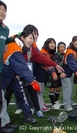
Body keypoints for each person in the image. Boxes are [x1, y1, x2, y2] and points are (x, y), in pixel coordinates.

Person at [2, 30, 40, 124]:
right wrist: (32, 81)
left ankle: (28, 115)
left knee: (21, 96)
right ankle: (3, 122)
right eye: (30, 38)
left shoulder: (16, 44)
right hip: (4, 75)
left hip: (13, 75)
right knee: (2, 100)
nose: (32, 41)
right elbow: (22, 66)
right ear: (22, 38)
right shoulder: (14, 47)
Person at [0, 1, 18, 132]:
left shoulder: (5, 29)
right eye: (0, 9)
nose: (2, 12)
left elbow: (3, 41)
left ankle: (4, 123)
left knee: (2, 100)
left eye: (4, 10)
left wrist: (12, 39)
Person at [61, 36, 77, 111]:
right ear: (72, 42)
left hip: (69, 73)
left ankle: (69, 102)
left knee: (71, 88)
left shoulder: (73, 50)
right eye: (76, 41)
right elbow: (72, 63)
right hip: (66, 73)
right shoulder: (70, 51)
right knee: (68, 89)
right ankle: (67, 105)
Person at [38, 38, 58, 111]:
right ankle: (40, 107)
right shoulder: (43, 52)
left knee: (41, 90)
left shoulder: (48, 52)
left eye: (54, 43)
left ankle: (41, 103)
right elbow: (45, 64)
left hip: (42, 74)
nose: (53, 45)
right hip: (38, 74)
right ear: (47, 44)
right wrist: (53, 73)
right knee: (39, 91)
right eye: (51, 43)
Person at [46, 41, 66, 109]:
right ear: (58, 47)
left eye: (64, 47)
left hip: (60, 75)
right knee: (52, 88)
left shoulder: (64, 55)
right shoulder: (55, 56)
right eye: (61, 47)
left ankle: (56, 101)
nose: (62, 48)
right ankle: (53, 103)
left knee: (58, 88)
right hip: (54, 73)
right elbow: (56, 65)